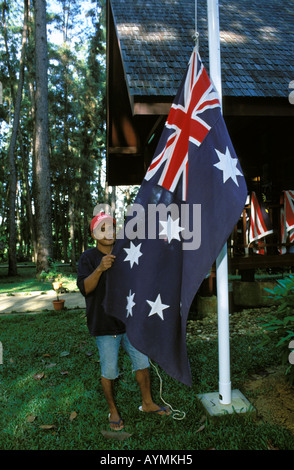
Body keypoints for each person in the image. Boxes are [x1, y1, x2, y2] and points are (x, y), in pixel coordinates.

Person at [77, 212, 170, 431]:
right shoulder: (88, 258)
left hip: (130, 323)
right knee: (109, 371)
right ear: (93, 234)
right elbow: (85, 289)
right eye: (102, 228)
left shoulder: (127, 253)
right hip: (104, 325)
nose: (108, 232)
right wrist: (100, 268)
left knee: (143, 364)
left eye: (111, 227)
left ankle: (147, 403)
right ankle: (113, 410)